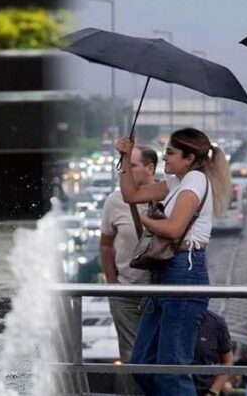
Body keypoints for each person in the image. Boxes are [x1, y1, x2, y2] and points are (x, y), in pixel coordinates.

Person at [116, 128, 232, 396]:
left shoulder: (194, 180)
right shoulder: (176, 183)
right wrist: (124, 158)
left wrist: (146, 221)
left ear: (189, 158)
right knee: (141, 363)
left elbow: (173, 229)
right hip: (165, 272)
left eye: (170, 153)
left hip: (185, 270)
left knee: (173, 364)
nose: (164, 158)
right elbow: (130, 195)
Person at [99, 145, 156, 394]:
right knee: (132, 356)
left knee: (161, 355)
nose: (126, 171)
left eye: (131, 166)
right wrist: (112, 283)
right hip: (126, 291)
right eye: (123, 166)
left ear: (150, 168)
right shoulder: (115, 200)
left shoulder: (168, 195)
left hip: (161, 291)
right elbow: (105, 244)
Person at [193, 309, 234, 396]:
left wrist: (213, 391)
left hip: (203, 390)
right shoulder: (164, 318)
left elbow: (227, 361)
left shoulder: (216, 323)